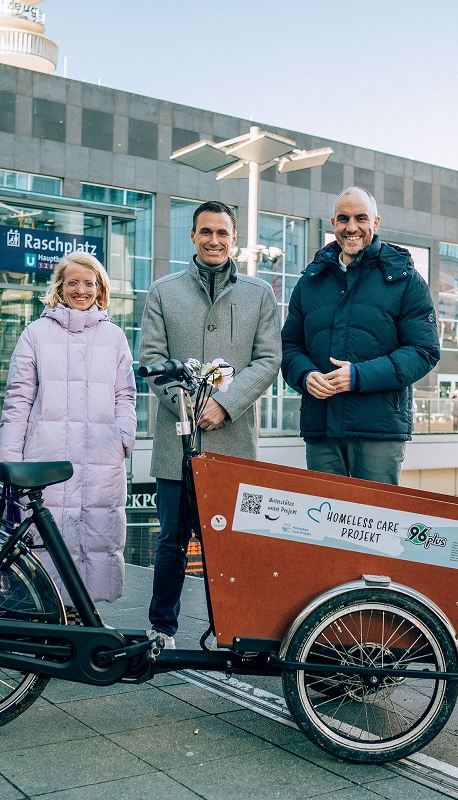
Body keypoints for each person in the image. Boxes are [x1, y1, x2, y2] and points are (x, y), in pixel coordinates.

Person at [139, 200, 281, 647]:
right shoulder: (164, 290)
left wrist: (225, 403)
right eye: (206, 232)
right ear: (193, 237)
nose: (214, 240)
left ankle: (239, 631)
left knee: (234, 547)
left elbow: (269, 360)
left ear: (233, 238)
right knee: (170, 543)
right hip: (174, 443)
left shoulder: (259, 294)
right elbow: (152, 360)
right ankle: (161, 629)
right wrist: (188, 404)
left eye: (222, 233)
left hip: (233, 444)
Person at [0, 252, 136, 612]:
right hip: (48, 457)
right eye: (73, 282)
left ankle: (83, 620)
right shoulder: (35, 334)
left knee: (96, 536)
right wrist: (10, 460)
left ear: (100, 289)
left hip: (101, 458)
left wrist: (124, 436)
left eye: (89, 283)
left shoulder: (115, 337)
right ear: (59, 286)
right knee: (48, 539)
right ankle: (51, 619)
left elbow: (126, 394)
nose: (81, 290)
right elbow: (18, 400)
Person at [281, 187, 440, 484]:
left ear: (375, 223)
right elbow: (290, 346)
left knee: (377, 523)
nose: (351, 227)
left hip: (378, 431)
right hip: (322, 428)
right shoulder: (310, 282)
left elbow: (423, 351)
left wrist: (358, 376)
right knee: (322, 522)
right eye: (343, 219)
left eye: (360, 218)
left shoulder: (405, 280)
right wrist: (304, 376)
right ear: (333, 224)